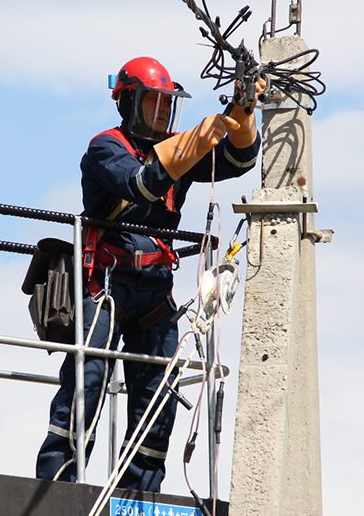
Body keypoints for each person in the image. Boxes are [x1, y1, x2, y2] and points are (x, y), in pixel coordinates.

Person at [35, 55, 262, 492]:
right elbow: (145, 182)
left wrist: (242, 110)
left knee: (159, 390)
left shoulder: (179, 148)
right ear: (128, 103)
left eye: (167, 102)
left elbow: (239, 159)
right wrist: (199, 136)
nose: (162, 111)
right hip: (107, 284)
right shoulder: (106, 148)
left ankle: (139, 490)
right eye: (152, 101)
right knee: (88, 378)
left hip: (155, 290)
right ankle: (59, 480)